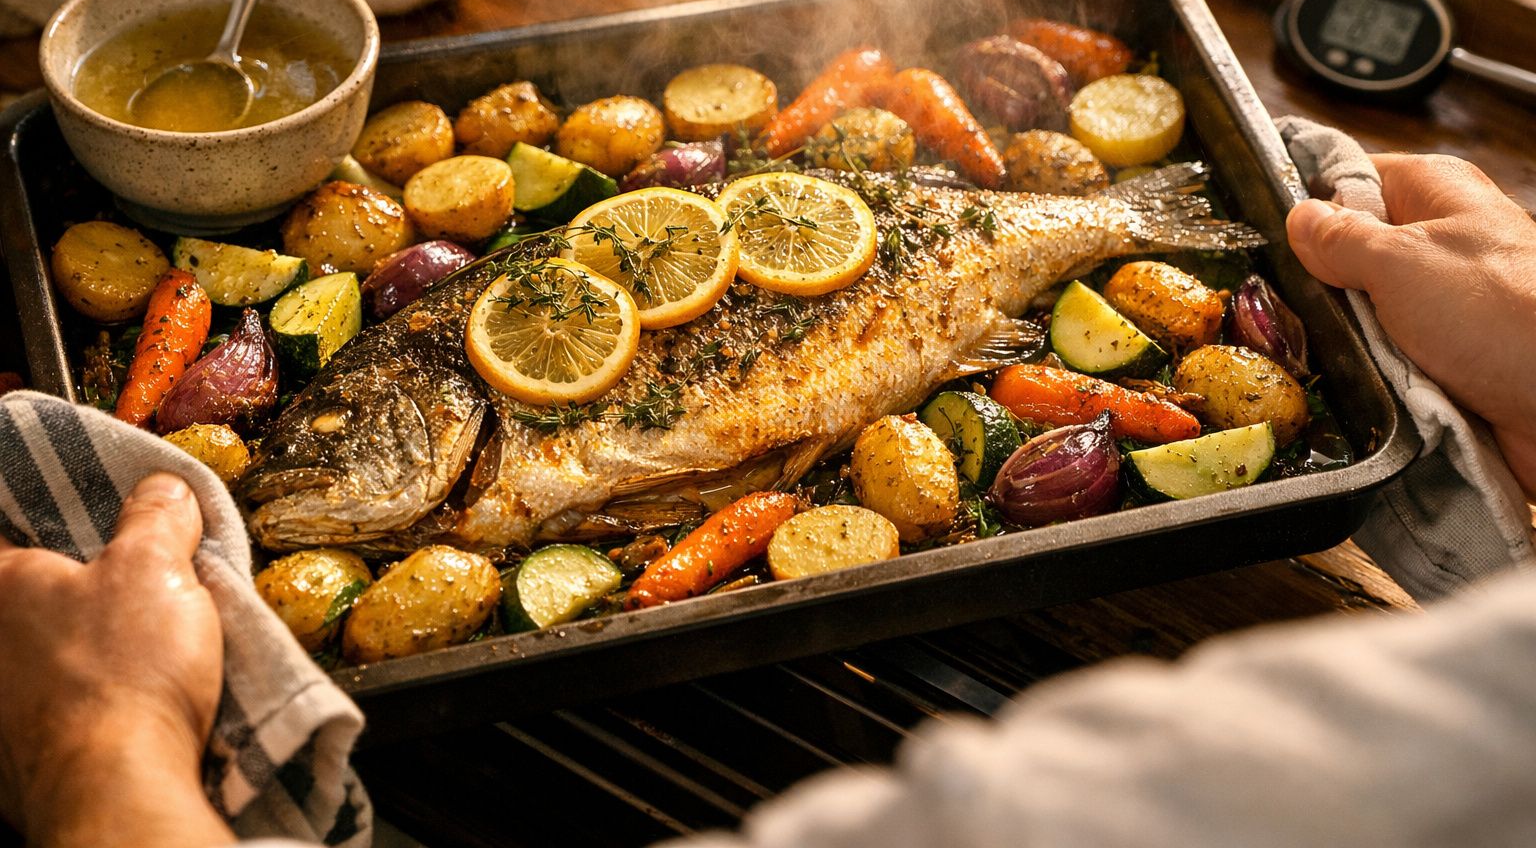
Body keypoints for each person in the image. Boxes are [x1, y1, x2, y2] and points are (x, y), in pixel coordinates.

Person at [1, 153, 1534, 848]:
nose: (302, 481)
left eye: (331, 442)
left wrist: (100, 760)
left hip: (898, 270)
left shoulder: (1361, 773)